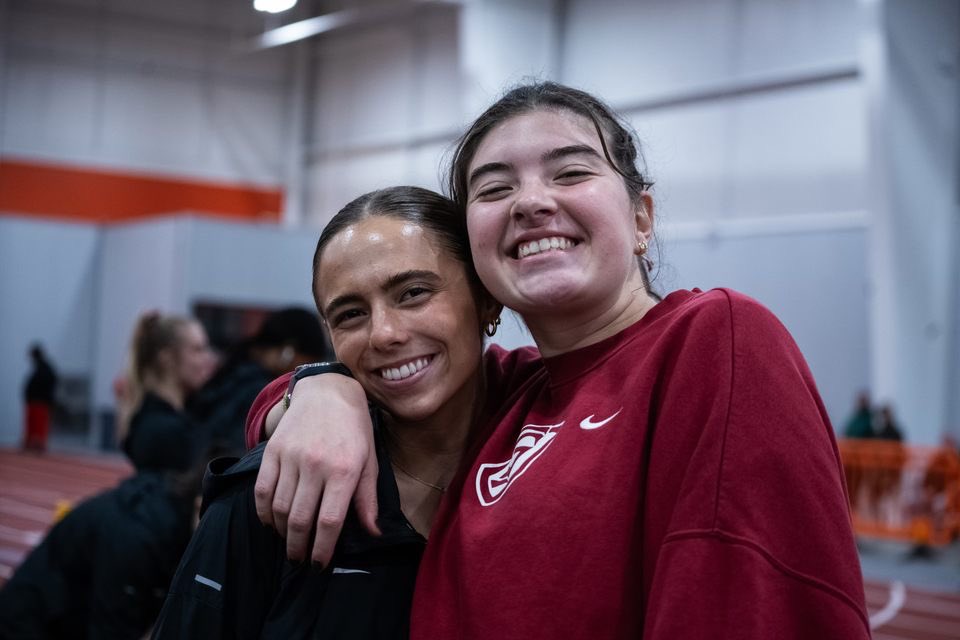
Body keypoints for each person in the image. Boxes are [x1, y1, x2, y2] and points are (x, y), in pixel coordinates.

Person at [247, 82, 870, 638]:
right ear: (477, 259)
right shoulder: (509, 394)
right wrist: (321, 390)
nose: (531, 202)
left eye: (570, 173)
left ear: (641, 218)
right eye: (494, 188)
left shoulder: (715, 337)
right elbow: (381, 381)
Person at [151, 186, 500, 638]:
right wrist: (314, 383)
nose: (384, 334)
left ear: (486, 298)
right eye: (351, 314)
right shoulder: (264, 498)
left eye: (413, 293)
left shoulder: (548, 444)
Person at [0, 461, 207, 639]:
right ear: (199, 506)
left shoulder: (172, 513)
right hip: (33, 623)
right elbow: (112, 628)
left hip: (67, 615)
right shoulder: (139, 535)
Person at [188, 306, 333, 453]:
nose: (308, 372)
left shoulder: (234, 374)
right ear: (288, 352)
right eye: (308, 363)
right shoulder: (259, 392)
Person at [118, 312, 216, 473]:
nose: (208, 358)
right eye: (197, 350)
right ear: (167, 358)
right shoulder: (164, 430)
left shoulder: (180, 416)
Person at [22, 343, 58, 452]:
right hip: (35, 400)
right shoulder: (40, 367)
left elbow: (51, 382)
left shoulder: (45, 368)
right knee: (33, 424)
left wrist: (46, 397)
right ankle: (32, 443)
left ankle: (38, 444)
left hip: (40, 401)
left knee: (38, 424)